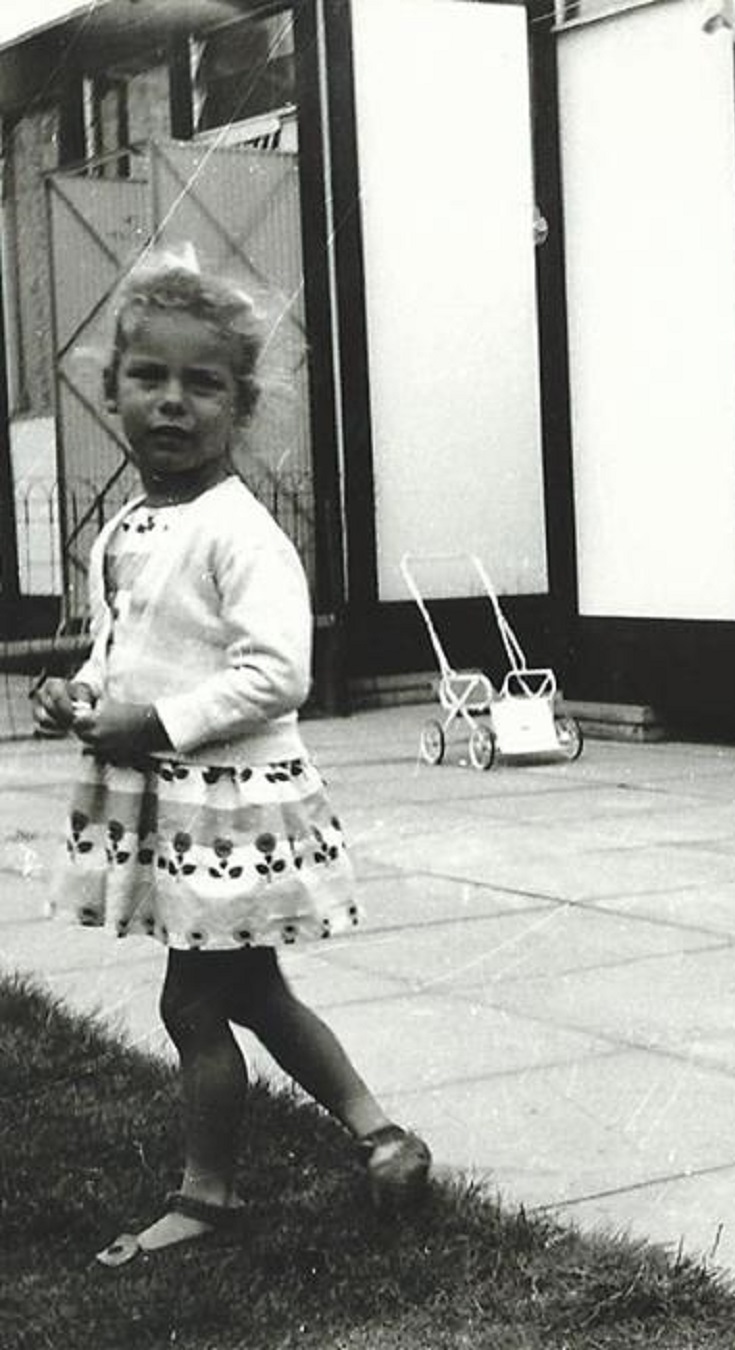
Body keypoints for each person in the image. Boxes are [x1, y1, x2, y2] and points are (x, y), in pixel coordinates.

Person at [30, 255, 430, 1268]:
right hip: (182, 798)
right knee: (251, 993)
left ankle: (208, 1198)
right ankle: (382, 1136)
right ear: (111, 386)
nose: (172, 403)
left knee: (194, 1002)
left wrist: (155, 723)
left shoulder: (239, 532)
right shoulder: (129, 524)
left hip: (231, 805)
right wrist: (84, 691)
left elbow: (276, 673)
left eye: (202, 385)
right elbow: (124, 638)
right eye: (149, 379)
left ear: (241, 405)